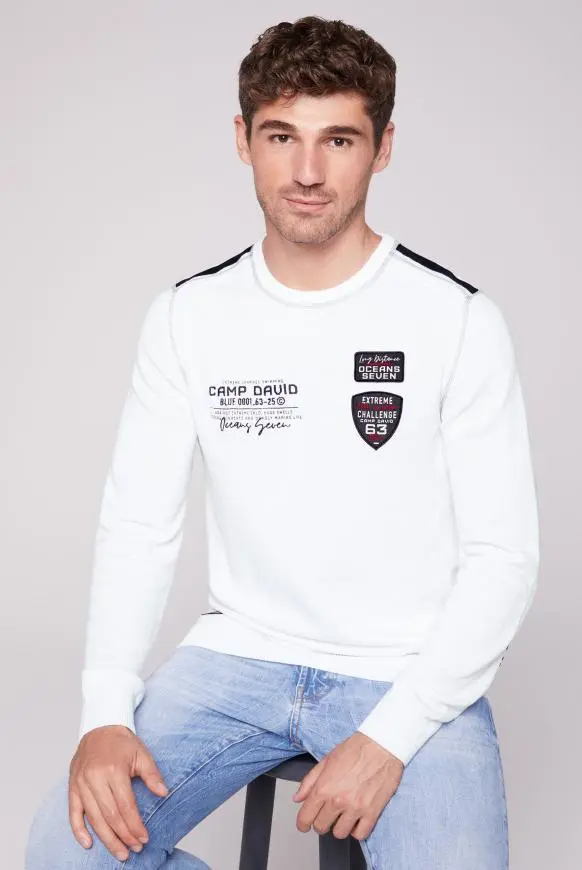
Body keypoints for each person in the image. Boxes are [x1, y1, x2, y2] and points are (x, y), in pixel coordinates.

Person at [25, 14, 540, 870]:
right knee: (63, 857)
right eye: (280, 137)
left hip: (408, 669)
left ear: (382, 148)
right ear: (243, 139)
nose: (306, 171)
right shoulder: (189, 317)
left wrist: (392, 735)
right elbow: (138, 527)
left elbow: (504, 560)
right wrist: (104, 713)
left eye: (338, 139)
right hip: (237, 659)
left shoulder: (456, 320)